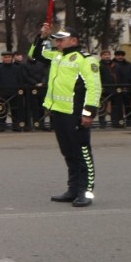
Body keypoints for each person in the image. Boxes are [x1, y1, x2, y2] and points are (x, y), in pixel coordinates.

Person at [31, 25, 102, 208]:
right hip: (59, 112)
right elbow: (35, 55)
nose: (58, 42)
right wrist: (42, 36)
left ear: (74, 40)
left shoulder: (86, 60)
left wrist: (88, 113)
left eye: (61, 39)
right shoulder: (57, 56)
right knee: (68, 153)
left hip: (76, 114)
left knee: (82, 154)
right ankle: (73, 189)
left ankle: (85, 192)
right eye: (56, 39)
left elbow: (94, 88)